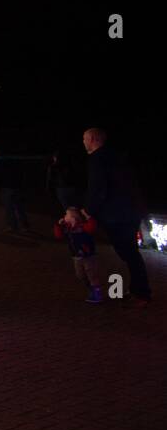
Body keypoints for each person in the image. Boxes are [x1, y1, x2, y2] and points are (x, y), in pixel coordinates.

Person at [82, 128, 150, 305]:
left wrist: (89, 210)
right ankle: (137, 290)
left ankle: (141, 293)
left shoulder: (98, 159)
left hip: (118, 215)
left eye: (85, 139)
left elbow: (98, 188)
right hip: (129, 212)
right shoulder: (116, 157)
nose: (83, 143)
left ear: (93, 139)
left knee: (129, 253)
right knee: (129, 253)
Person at [54, 206, 102, 304]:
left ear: (73, 217)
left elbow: (92, 227)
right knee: (80, 275)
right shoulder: (67, 228)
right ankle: (91, 288)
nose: (64, 216)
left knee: (92, 275)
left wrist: (87, 216)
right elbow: (58, 236)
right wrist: (58, 226)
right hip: (76, 256)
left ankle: (97, 295)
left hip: (88, 256)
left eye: (66, 214)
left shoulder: (82, 226)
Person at [0, 149, 31, 234]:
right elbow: (22, 174)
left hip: (6, 188)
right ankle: (24, 226)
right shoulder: (14, 161)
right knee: (19, 207)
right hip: (17, 187)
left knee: (9, 209)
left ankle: (13, 226)